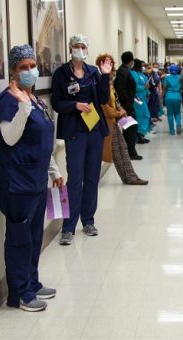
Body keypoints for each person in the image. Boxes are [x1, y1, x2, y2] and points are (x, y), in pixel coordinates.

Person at [0, 44, 63, 311]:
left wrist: (54, 171)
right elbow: (10, 138)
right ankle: (19, 293)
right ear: (13, 71)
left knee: (34, 236)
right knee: (19, 239)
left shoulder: (36, 99)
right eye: (24, 67)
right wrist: (22, 108)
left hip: (36, 179)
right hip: (17, 181)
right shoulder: (9, 101)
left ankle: (32, 282)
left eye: (33, 66)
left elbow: (43, 141)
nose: (30, 71)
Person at [51, 34, 112, 245]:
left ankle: (88, 221)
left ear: (87, 49)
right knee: (75, 179)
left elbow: (103, 98)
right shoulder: (61, 73)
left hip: (94, 130)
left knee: (92, 177)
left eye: (83, 46)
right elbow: (56, 103)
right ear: (70, 48)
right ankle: (68, 227)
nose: (80, 49)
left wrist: (105, 76)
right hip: (74, 131)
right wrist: (75, 105)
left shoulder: (93, 72)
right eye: (76, 46)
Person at [95, 53, 149, 185]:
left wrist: (120, 110)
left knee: (122, 148)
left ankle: (130, 177)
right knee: (115, 151)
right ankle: (128, 177)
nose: (110, 66)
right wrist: (118, 113)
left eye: (111, 63)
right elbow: (103, 106)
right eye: (106, 63)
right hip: (105, 123)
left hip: (112, 122)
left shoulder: (109, 83)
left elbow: (114, 100)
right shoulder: (99, 83)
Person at [114, 51, 142, 160]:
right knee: (131, 128)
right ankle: (131, 153)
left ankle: (128, 152)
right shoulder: (123, 72)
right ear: (131, 61)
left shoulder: (124, 70)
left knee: (128, 129)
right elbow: (121, 89)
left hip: (126, 104)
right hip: (126, 106)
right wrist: (127, 102)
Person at [131, 59, 152, 142]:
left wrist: (147, 91)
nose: (143, 67)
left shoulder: (141, 74)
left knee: (146, 115)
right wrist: (144, 87)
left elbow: (146, 84)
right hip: (137, 99)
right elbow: (135, 87)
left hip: (143, 98)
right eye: (142, 66)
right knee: (139, 116)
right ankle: (138, 136)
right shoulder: (134, 74)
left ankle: (141, 133)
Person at [163, 64, 183, 135]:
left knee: (170, 114)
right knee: (177, 113)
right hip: (177, 96)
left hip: (169, 96)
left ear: (170, 70)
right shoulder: (180, 77)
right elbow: (182, 87)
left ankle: (172, 130)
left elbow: (164, 87)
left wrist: (162, 96)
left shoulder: (167, 77)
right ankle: (178, 124)